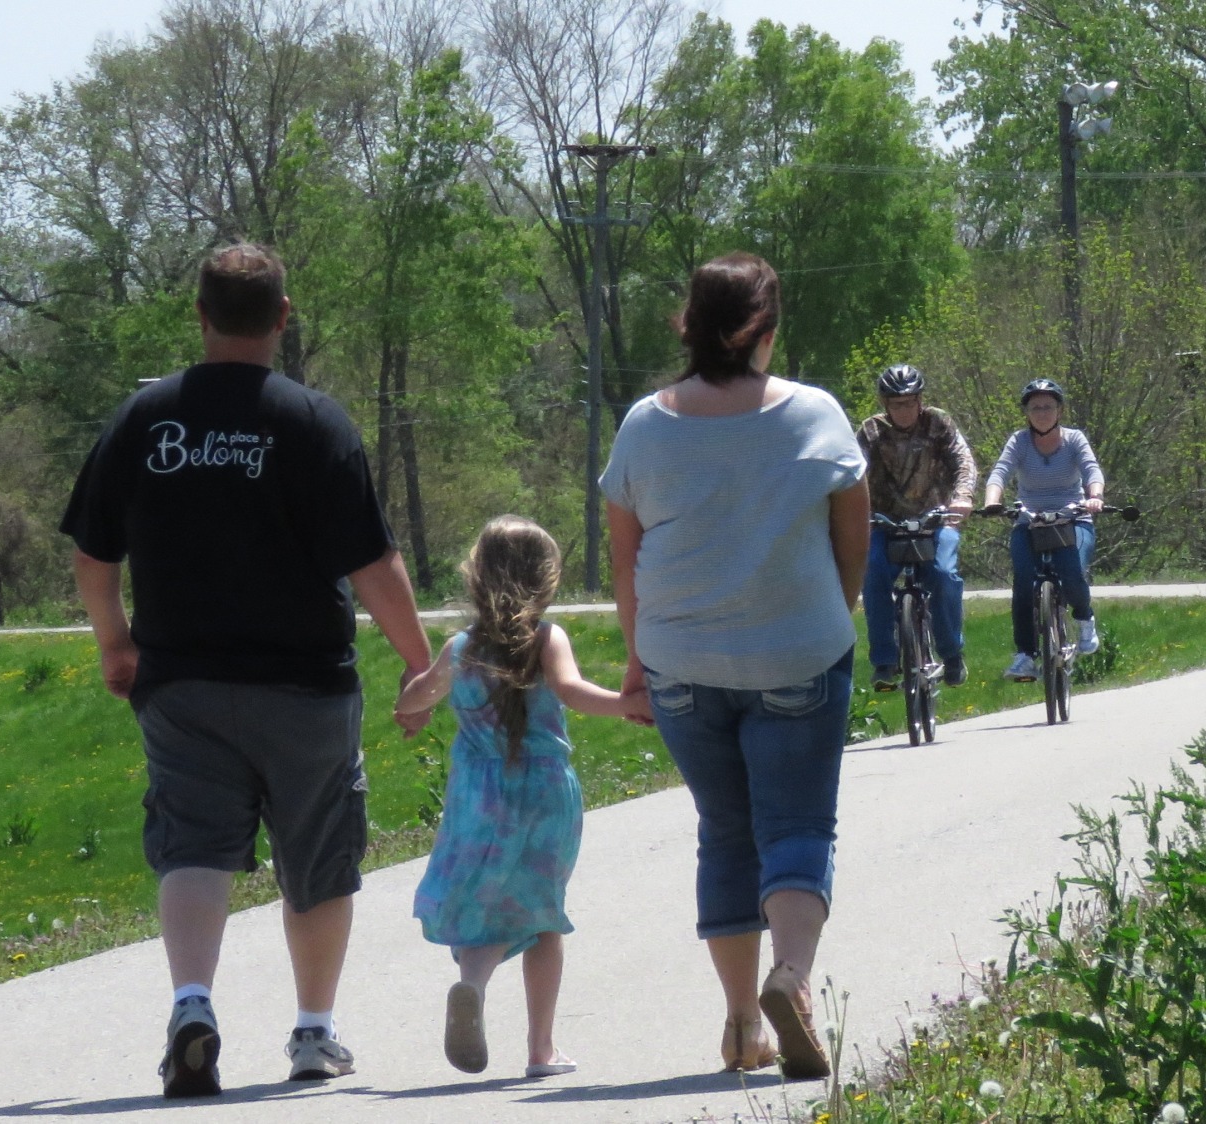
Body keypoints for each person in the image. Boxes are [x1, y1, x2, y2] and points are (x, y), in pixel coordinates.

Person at [60, 243, 436, 1097]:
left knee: (192, 845)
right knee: (318, 856)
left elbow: (92, 554)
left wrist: (116, 642)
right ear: (283, 316)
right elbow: (375, 565)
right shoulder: (316, 423)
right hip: (305, 686)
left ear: (198, 316)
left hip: (183, 684)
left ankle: (192, 1005)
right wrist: (419, 663)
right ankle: (313, 1034)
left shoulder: (145, 418)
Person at [601, 252, 869, 1081]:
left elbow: (625, 556)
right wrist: (841, 609)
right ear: (767, 328)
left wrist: (639, 662)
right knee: (796, 826)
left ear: (688, 323)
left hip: (681, 660)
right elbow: (852, 531)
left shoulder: (646, 424)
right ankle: (790, 975)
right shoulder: (815, 415)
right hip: (797, 650)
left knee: (725, 831)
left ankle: (742, 1022)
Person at [393, 516, 645, 1079]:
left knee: (485, 905)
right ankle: (541, 1049)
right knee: (542, 914)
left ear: (476, 576)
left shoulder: (462, 646)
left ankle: (472, 984)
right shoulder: (546, 637)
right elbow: (572, 690)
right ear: (547, 578)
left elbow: (418, 695)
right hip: (544, 791)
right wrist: (626, 703)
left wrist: (409, 705)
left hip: (478, 797)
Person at [857, 363, 977, 691]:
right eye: (897, 404)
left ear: (920, 400)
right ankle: (884, 661)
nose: (904, 410)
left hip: (936, 519)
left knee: (943, 574)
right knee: (873, 572)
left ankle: (951, 653)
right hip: (885, 523)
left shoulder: (938, 423)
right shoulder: (871, 431)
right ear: (885, 405)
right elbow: (851, 476)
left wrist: (962, 498)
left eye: (910, 402)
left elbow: (962, 461)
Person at [981, 378, 1105, 681]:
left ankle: (1084, 618)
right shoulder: (1020, 441)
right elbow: (1000, 472)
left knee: (1072, 568)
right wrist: (992, 502)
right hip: (1030, 519)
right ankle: (1025, 654)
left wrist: (1095, 497)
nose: (1042, 412)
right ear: (1026, 412)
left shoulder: (1074, 440)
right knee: (1023, 580)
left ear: (1059, 410)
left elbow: (1092, 470)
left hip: (1073, 517)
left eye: (1048, 406)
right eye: (1035, 407)